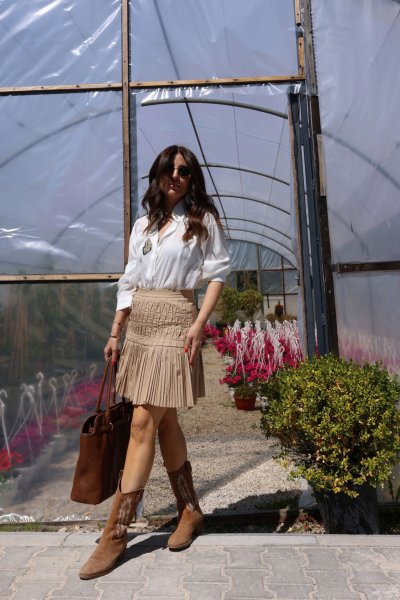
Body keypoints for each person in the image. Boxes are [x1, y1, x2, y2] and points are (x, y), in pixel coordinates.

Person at [79, 145, 231, 580]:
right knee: (164, 423)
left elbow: (217, 273)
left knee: (143, 421)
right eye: (169, 169)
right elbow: (130, 279)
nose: (176, 176)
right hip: (141, 325)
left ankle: (115, 532)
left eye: (184, 170)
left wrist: (199, 323)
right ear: (158, 175)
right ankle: (190, 510)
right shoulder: (143, 225)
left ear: (192, 177)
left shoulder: (202, 221)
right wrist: (116, 331)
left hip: (177, 321)